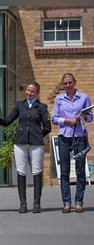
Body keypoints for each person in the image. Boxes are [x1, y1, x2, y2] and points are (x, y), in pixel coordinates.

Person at [0, 82, 51, 213]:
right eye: (28, 90)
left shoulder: (42, 107)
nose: (29, 93)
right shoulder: (20, 105)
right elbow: (8, 121)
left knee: (37, 171)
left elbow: (47, 127)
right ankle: (23, 204)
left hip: (36, 144)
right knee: (21, 171)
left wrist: (37, 135)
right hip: (20, 142)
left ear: (37, 93)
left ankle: (37, 204)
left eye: (32, 91)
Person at [51, 73, 93, 213]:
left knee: (80, 170)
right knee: (64, 171)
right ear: (63, 85)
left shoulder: (84, 97)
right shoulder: (59, 99)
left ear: (74, 82)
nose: (68, 85)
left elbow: (90, 117)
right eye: (65, 84)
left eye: (70, 83)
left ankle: (79, 201)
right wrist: (67, 121)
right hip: (64, 136)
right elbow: (54, 119)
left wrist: (84, 116)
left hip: (80, 137)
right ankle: (67, 202)